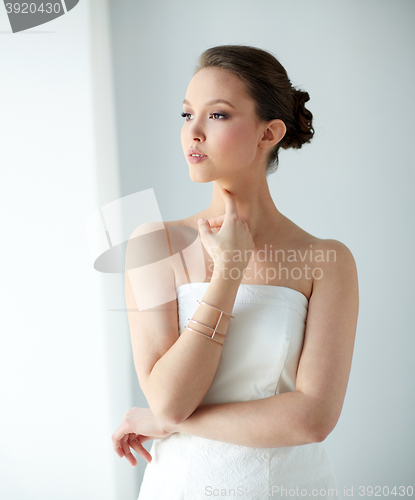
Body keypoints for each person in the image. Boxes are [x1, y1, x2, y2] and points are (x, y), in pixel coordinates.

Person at [112, 44, 359, 500]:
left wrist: (169, 424)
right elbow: (169, 398)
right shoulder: (154, 246)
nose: (194, 133)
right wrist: (228, 272)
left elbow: (312, 419)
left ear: (270, 133)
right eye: (187, 115)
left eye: (218, 116)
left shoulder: (327, 260)